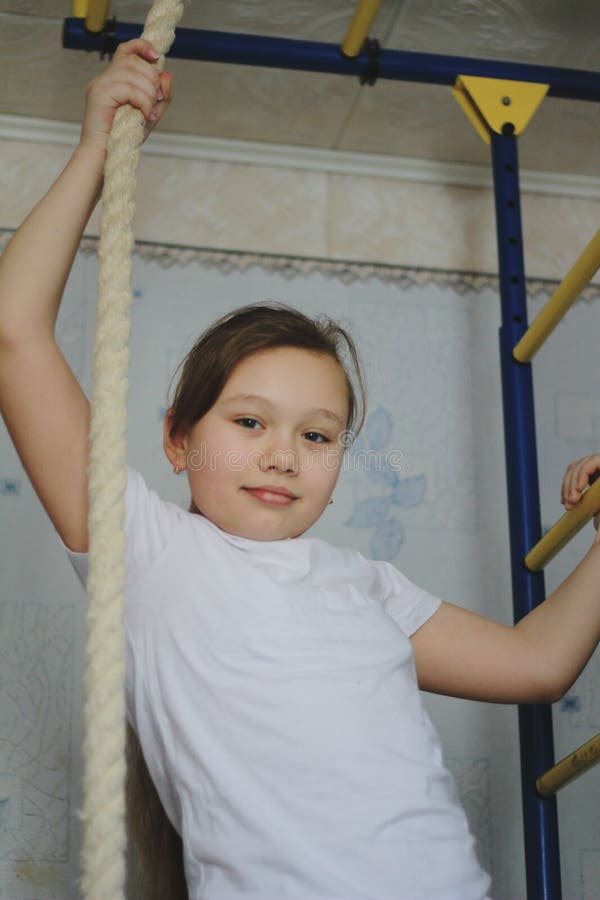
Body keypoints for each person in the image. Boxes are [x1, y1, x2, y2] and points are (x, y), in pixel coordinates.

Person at [1, 39, 600, 900]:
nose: (284, 453)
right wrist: (98, 146)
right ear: (176, 439)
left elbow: (537, 666)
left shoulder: (366, 585)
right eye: (249, 423)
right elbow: (15, 329)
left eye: (318, 437)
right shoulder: (149, 549)